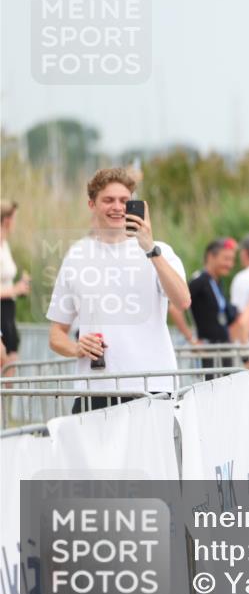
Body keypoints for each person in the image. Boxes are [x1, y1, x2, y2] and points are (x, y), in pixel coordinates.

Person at [47, 168, 191, 413]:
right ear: (92, 204)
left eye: (124, 200)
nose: (117, 207)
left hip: (151, 386)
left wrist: (150, 249)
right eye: (108, 200)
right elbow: (56, 334)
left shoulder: (160, 250)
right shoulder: (76, 255)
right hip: (94, 389)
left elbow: (183, 300)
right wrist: (77, 347)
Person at [170, 237, 240, 373]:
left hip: (223, 350)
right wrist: (192, 339)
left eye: (232, 260)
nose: (230, 264)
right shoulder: (199, 281)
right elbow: (174, 308)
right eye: (226, 259)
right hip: (208, 351)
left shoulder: (218, 282)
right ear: (211, 257)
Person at [1, 201, 30, 371]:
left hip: (8, 309)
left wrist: (20, 286)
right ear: (7, 220)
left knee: (12, 363)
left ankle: (6, 399)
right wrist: (15, 289)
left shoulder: (5, 245)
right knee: (5, 362)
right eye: (14, 219)